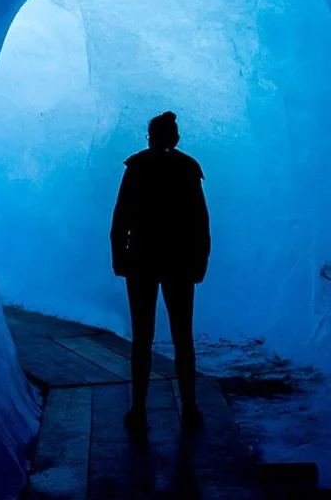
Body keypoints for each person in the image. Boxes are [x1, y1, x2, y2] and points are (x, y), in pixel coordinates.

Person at [110, 111, 211, 433]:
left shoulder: (136, 167)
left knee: (142, 336)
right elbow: (200, 222)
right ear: (175, 138)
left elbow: (121, 218)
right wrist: (199, 262)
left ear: (150, 137)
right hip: (179, 261)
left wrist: (119, 258)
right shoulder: (188, 168)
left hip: (141, 259)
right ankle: (190, 407)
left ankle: (138, 408)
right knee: (183, 336)